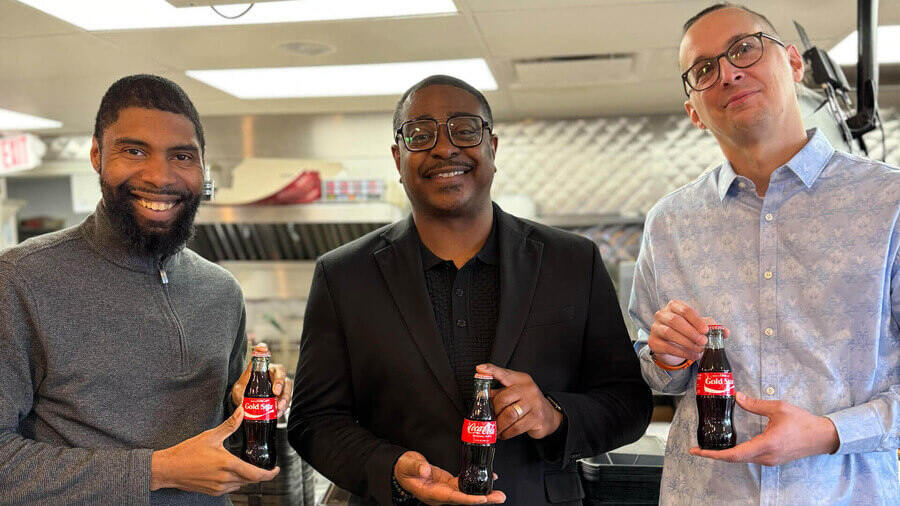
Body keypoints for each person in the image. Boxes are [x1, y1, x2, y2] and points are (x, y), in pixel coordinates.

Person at [288, 74, 653, 505]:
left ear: (492, 149)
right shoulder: (344, 275)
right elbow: (314, 421)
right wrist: (391, 468)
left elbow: (628, 402)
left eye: (464, 130)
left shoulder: (572, 261)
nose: (444, 148)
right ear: (397, 158)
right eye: (420, 134)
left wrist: (555, 414)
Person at [629, 3, 900, 504]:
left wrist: (828, 432)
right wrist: (665, 354)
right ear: (693, 111)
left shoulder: (889, 205)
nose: (728, 72)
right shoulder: (669, 223)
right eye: (703, 70)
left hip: (845, 492)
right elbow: (655, 370)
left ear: (794, 64)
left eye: (744, 48)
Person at [0, 74, 292, 505]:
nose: (160, 176)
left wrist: (244, 405)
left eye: (182, 156)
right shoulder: (21, 281)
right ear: (97, 154)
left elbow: (220, 444)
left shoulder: (221, 293)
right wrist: (157, 471)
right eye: (134, 150)